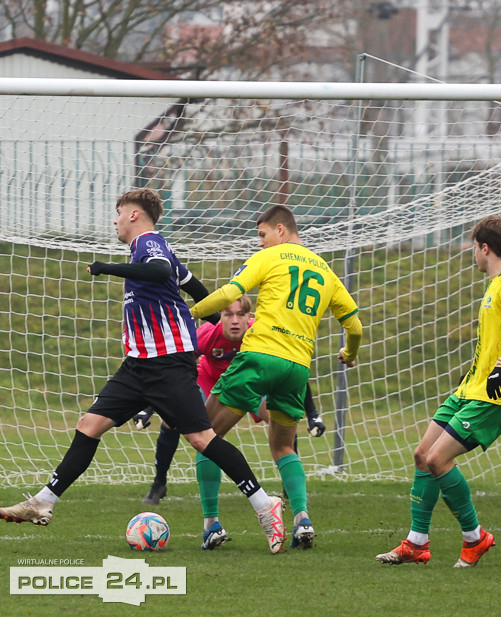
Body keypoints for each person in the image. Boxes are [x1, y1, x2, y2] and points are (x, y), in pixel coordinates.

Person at [0, 189, 286, 554]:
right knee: (90, 424)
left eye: (118, 212)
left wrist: (107, 268)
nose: (115, 220)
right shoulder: (157, 248)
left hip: (167, 363)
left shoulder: (149, 244)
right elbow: (195, 288)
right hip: (139, 365)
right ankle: (43, 501)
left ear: (134, 215)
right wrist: (218, 320)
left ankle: (265, 505)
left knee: (201, 439)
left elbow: (161, 271)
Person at [188, 204, 363, 551]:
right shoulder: (326, 270)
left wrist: (188, 313)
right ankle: (302, 519)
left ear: (280, 230)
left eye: (262, 235)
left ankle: (212, 524)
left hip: (259, 358)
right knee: (284, 446)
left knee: (204, 436)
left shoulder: (272, 257)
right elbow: (355, 326)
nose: (261, 243)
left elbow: (227, 294)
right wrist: (350, 353)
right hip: (297, 368)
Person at [375, 215, 501, 568]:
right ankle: (417, 543)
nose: (473, 255)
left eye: (474, 247)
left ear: (485, 248)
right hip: (471, 388)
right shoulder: (495, 284)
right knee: (423, 454)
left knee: (438, 460)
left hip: (495, 394)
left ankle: (475, 538)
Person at [134, 295, 326, 507]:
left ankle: (289, 487)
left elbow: (292, 372)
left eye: (240, 315)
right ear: (219, 317)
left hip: (249, 382)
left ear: (249, 318)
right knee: (173, 419)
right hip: (211, 380)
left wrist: (312, 414)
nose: (234, 320)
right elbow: (176, 370)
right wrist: (150, 407)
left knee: (279, 417)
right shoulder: (207, 334)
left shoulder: (262, 335)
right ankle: (159, 483)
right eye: (228, 315)